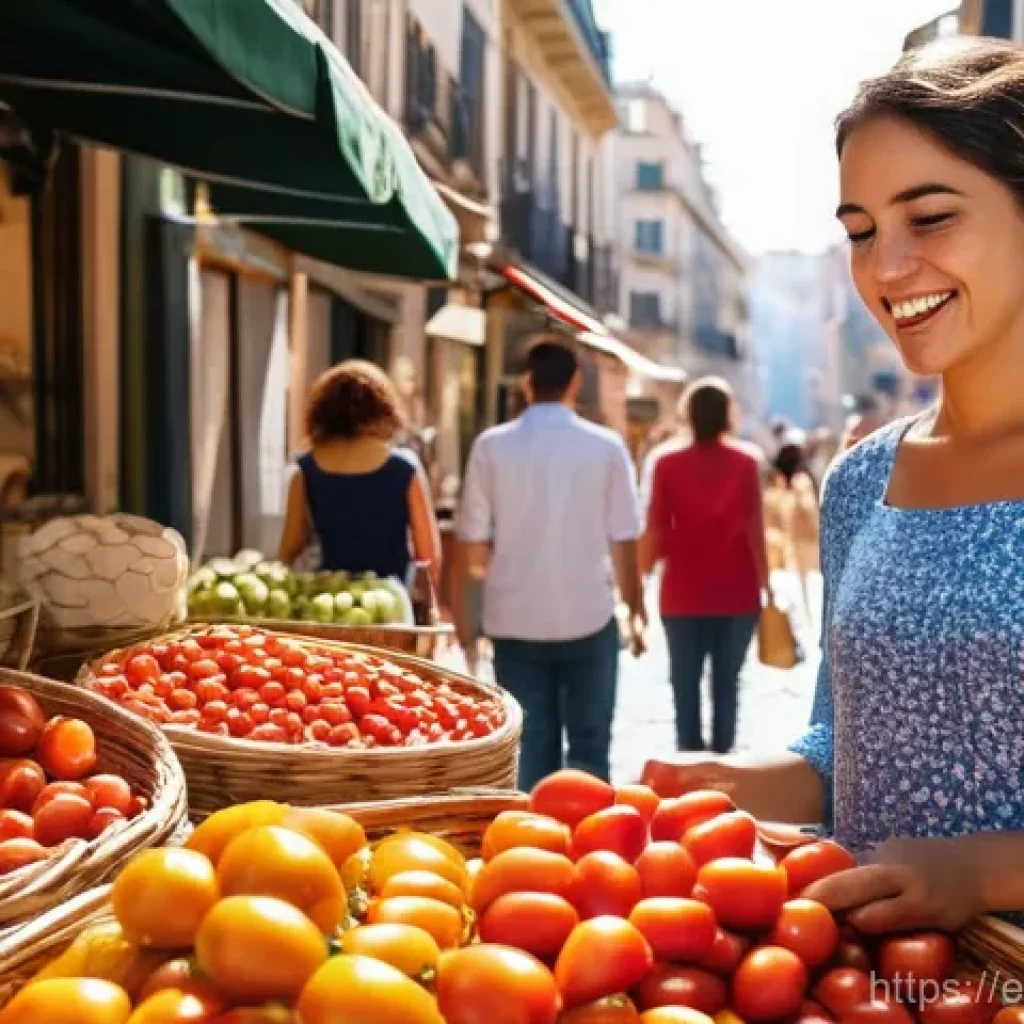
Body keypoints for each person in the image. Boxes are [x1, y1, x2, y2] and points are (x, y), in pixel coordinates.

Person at [644, 36, 1024, 933]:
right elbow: (844, 747)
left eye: (929, 219)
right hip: (862, 985)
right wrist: (736, 784)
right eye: (859, 232)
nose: (885, 269)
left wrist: (981, 870)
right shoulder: (860, 479)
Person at [453, 336, 646, 790]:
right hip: (589, 616)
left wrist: (468, 621)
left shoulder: (491, 446)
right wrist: (636, 609)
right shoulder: (606, 447)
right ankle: (588, 846)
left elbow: (472, 545)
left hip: (514, 621)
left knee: (529, 750)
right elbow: (625, 538)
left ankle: (530, 850)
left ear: (526, 383)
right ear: (575, 383)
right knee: (590, 749)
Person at [640, 378, 768, 756]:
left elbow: (657, 527)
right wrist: (767, 583)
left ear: (688, 414)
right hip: (737, 590)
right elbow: (754, 528)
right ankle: (724, 764)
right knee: (727, 683)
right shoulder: (747, 463)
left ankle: (689, 762)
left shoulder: (666, 463)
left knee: (684, 683)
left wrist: (639, 584)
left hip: (682, 592)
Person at [278, 360, 441, 588]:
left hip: (328, 604)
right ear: (384, 408)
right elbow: (429, 556)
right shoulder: (404, 468)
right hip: (390, 606)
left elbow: (290, 549)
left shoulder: (306, 469)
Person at [763, 439, 821, 617]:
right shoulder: (799, 481)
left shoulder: (788, 484)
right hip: (807, 540)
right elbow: (809, 508)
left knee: (804, 590)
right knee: (809, 589)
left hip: (798, 542)